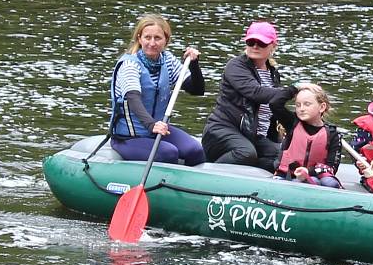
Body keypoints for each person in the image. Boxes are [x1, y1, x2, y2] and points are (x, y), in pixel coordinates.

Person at [109, 13, 205, 165]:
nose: (152, 43)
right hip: (129, 137)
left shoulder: (167, 60)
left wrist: (194, 64)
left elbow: (196, 89)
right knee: (168, 153)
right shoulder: (129, 64)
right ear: (140, 38)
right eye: (148, 37)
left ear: (166, 40)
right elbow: (133, 98)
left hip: (159, 130)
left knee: (195, 151)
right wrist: (152, 125)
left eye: (157, 38)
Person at [202, 21, 297, 171]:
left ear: (273, 45)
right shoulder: (236, 66)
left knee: (285, 158)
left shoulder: (273, 73)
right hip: (223, 129)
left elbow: (274, 107)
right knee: (245, 153)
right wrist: (294, 90)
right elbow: (255, 92)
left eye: (261, 43)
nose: (255, 46)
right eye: (251, 42)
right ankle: (208, 174)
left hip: (253, 135)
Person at [273, 83, 342, 188]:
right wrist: (297, 87)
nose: (301, 109)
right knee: (302, 182)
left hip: (314, 175)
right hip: (288, 176)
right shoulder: (292, 123)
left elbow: (332, 166)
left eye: (307, 104)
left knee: (330, 183)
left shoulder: (332, 134)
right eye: (298, 105)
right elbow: (274, 103)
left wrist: (308, 171)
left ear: (322, 107)